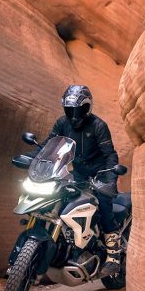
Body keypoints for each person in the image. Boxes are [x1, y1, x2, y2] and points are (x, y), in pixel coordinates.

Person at [37, 85, 124, 277]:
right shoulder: (62, 123)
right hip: (77, 174)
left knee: (104, 208)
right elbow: (47, 146)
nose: (74, 116)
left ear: (88, 108)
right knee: (60, 204)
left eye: (79, 110)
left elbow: (110, 155)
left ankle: (113, 257)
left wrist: (110, 181)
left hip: (100, 175)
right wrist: (31, 158)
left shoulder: (98, 126)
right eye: (70, 111)